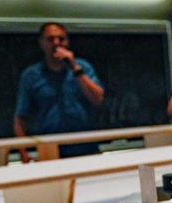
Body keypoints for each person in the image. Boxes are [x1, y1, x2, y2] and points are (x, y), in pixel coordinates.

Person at [14, 22, 105, 162]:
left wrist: (75, 68)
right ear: (41, 43)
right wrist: (23, 152)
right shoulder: (31, 76)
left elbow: (98, 99)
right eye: (50, 39)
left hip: (87, 147)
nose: (57, 43)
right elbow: (21, 118)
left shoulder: (83, 68)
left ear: (67, 42)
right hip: (50, 151)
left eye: (61, 39)